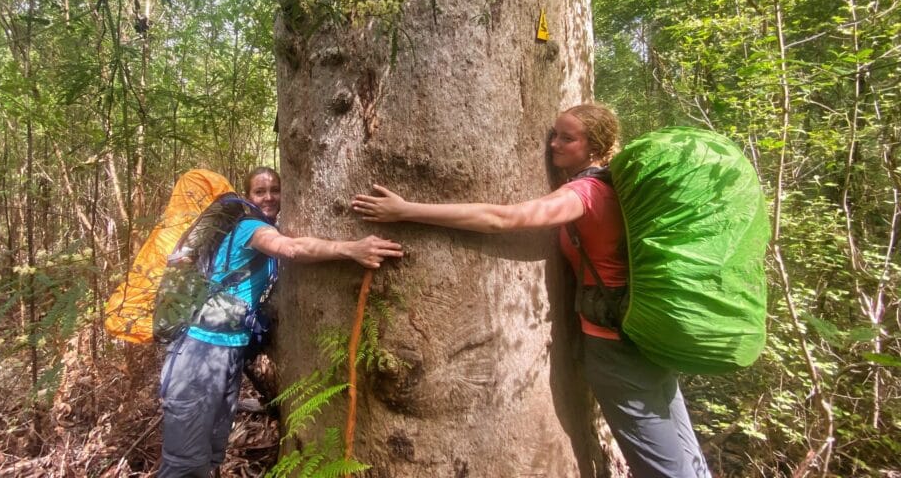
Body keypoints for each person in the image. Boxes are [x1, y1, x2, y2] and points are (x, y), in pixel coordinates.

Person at [350, 104, 711, 478]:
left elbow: (501, 219)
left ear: (596, 146)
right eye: (553, 134)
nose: (553, 144)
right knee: (685, 452)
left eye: (567, 138)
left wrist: (406, 210)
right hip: (647, 332)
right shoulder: (619, 188)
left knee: (662, 465)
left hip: (614, 346)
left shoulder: (584, 193)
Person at [158, 166, 404, 478]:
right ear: (247, 197)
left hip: (228, 353)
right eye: (260, 191)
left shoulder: (265, 229)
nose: (270, 197)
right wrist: (351, 249)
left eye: (275, 189)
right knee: (184, 463)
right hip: (199, 355)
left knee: (210, 454)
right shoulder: (250, 228)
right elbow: (291, 248)